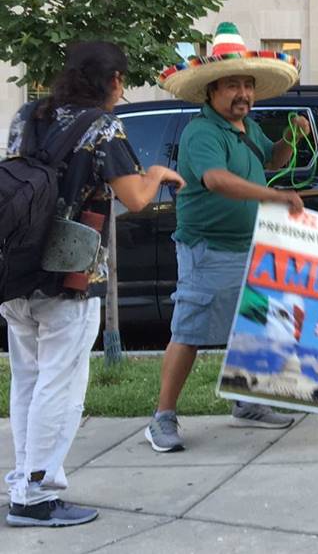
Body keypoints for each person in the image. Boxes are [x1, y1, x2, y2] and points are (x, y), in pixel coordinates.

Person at [4, 42, 185, 527]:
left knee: (28, 379)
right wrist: (156, 174)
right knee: (59, 385)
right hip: (70, 274)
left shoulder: (27, 116)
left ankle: (24, 479)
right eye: (121, 80)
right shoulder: (103, 127)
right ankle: (37, 496)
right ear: (113, 81)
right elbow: (136, 198)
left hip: (17, 268)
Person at [144, 22, 309, 453]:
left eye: (248, 86)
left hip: (246, 247)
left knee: (252, 326)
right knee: (190, 330)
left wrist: (291, 137)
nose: (243, 95)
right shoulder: (202, 133)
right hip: (206, 249)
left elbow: (272, 157)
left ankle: (246, 403)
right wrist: (274, 197)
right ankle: (162, 417)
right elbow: (216, 180)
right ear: (211, 91)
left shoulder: (245, 128)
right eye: (233, 86)